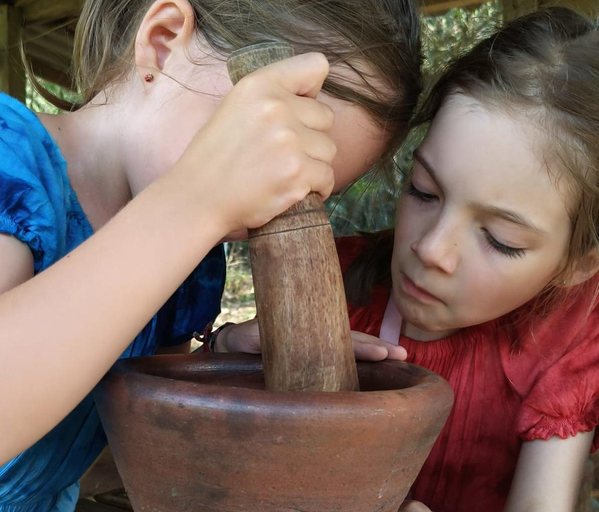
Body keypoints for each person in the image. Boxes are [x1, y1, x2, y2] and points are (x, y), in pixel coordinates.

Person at [0, 0, 423, 510]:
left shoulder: (192, 264)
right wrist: (198, 196)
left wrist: (223, 362)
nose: (270, 211)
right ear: (163, 44)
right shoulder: (1, 159)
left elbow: (124, 439)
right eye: (271, 158)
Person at [222, 7, 599, 512]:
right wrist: (224, 348)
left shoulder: (569, 341)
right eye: (423, 191)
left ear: (578, 264)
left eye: (501, 239)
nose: (431, 250)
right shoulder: (325, 281)